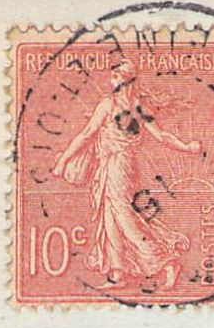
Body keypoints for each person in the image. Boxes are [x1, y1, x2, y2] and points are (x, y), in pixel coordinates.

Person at [50, 59, 202, 290]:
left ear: (125, 79)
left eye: (116, 75)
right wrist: (186, 147)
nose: (112, 79)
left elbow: (88, 134)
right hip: (113, 164)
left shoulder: (112, 105)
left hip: (118, 165)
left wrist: (63, 160)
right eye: (112, 75)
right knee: (110, 217)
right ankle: (118, 272)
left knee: (123, 216)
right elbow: (160, 135)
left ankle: (165, 262)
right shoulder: (135, 105)